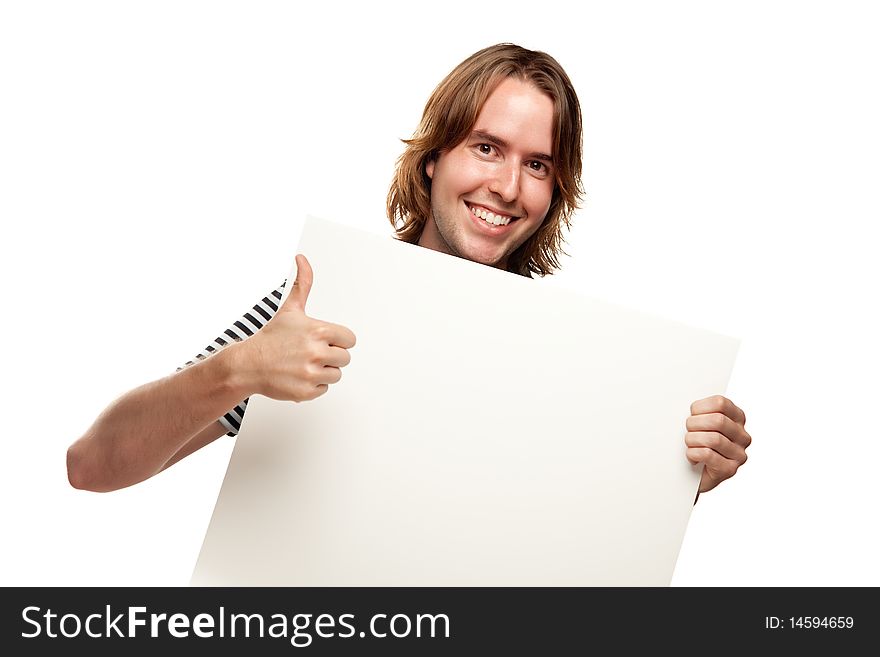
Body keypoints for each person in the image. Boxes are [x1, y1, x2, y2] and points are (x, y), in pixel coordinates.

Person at [67, 43, 751, 495]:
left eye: (537, 164)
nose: (509, 187)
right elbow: (91, 466)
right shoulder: (317, 311)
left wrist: (682, 474)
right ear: (434, 160)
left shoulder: (573, 358)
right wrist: (238, 369)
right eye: (487, 148)